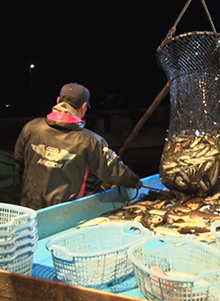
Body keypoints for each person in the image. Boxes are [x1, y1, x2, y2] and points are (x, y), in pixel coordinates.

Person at [14, 82, 141, 211]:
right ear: (84, 106)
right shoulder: (90, 140)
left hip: (29, 210)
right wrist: (134, 181)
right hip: (65, 213)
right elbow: (113, 171)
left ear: (58, 101)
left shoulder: (31, 127)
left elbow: (19, 161)